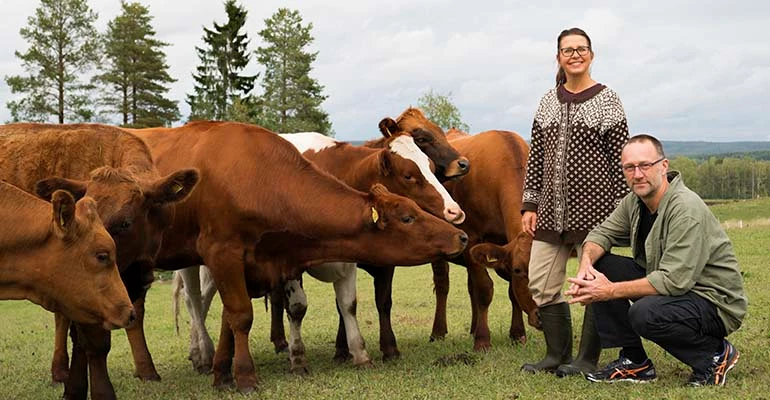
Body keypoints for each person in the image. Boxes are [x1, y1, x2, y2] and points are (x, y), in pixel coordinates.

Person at [566, 134, 747, 386]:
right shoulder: (635, 202)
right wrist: (586, 265)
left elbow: (672, 281)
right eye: (629, 167)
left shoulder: (685, 209)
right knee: (601, 265)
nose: (637, 174)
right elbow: (601, 234)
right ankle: (634, 362)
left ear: (664, 166)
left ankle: (714, 355)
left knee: (645, 313)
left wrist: (607, 291)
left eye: (645, 165)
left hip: (714, 301)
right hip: (680, 291)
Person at [520, 27, 629, 377]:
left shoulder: (608, 99)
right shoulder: (547, 100)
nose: (575, 54)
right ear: (558, 58)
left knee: (592, 284)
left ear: (591, 56)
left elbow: (620, 159)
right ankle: (556, 355)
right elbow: (536, 156)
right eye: (568, 50)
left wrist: (621, 211)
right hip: (550, 212)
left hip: (598, 212)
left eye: (581, 49)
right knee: (540, 281)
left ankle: (585, 360)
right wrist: (529, 205)